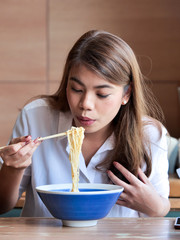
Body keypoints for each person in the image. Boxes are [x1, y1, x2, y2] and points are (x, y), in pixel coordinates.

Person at [0, 30, 170, 217]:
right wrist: (12, 168)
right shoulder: (35, 117)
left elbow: (161, 210)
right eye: (77, 89)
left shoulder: (149, 134)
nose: (85, 104)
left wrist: (155, 207)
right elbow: (2, 205)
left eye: (102, 94)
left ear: (126, 93)